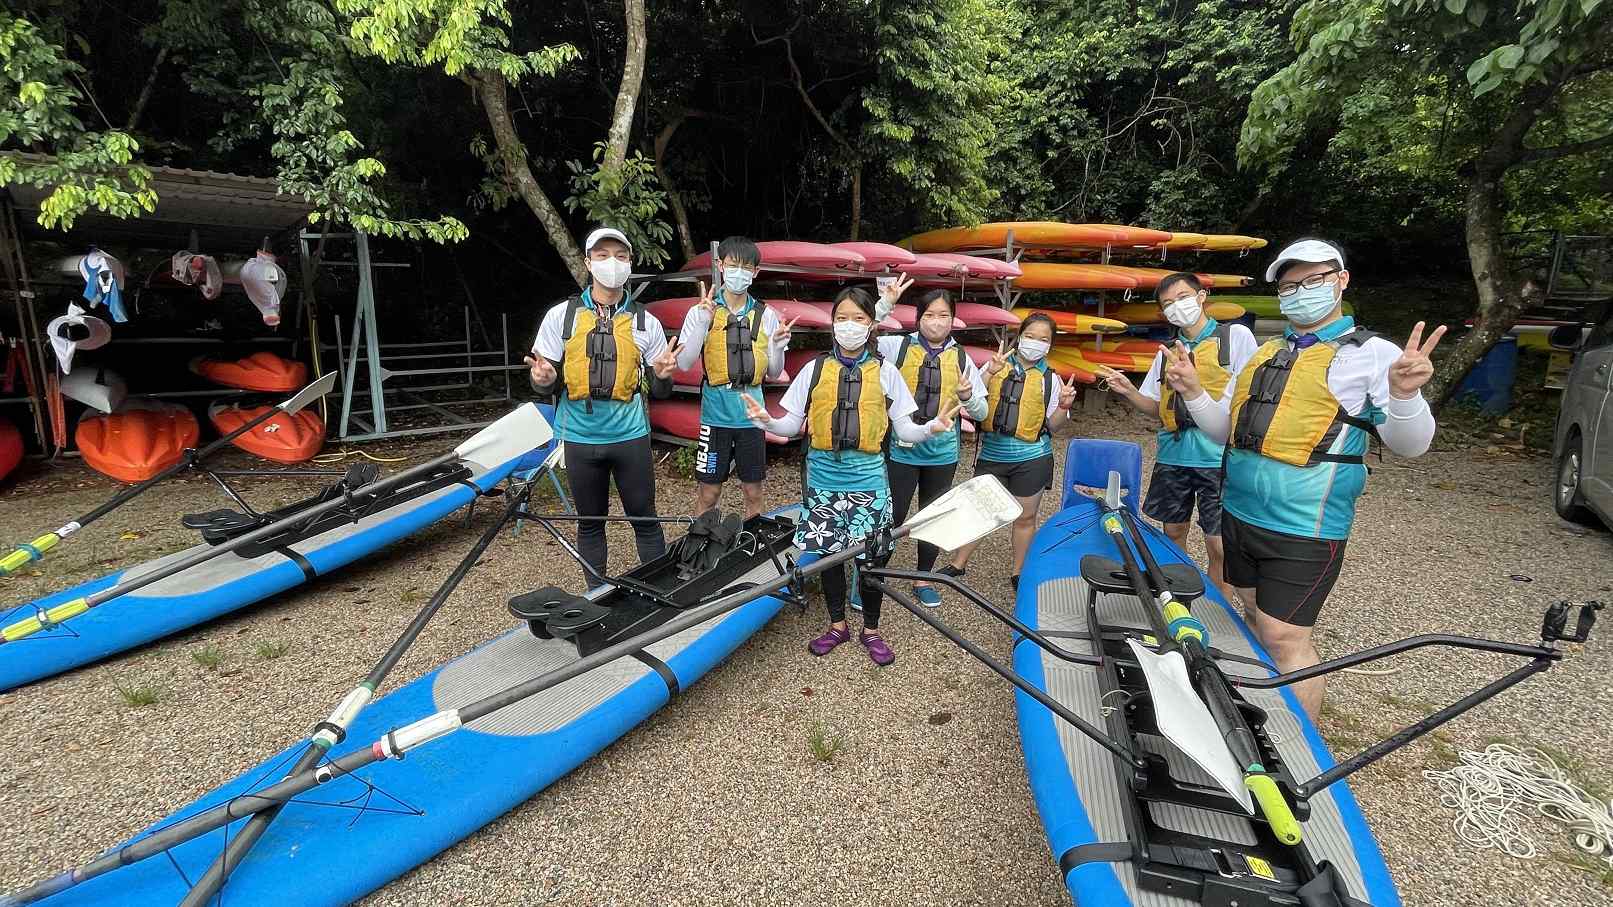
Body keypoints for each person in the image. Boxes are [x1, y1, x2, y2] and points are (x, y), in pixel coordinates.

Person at [1168, 238, 1443, 718]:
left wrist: (1402, 396)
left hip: (1305, 527)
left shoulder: (1374, 354)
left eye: (1312, 280)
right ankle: (1258, 715)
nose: (1299, 291)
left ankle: (1302, 753)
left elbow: (1411, 444)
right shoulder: (1264, 352)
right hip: (1239, 514)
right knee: (1253, 618)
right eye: (1290, 285)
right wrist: (1193, 391)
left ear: (1341, 281)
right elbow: (1222, 429)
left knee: (1285, 637)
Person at [742, 286, 960, 666]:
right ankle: (837, 624)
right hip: (824, 482)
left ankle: (871, 629)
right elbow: (792, 423)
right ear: (832, 325)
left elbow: (905, 430)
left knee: (872, 559)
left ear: (871, 324)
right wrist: (768, 421)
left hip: (870, 482)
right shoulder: (814, 369)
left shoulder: (886, 372)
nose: (850, 326)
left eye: (858, 318)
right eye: (842, 318)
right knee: (829, 557)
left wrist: (932, 428)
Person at [525, 226, 683, 578]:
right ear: (588, 262)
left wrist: (662, 374)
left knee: (644, 519)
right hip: (581, 437)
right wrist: (543, 380)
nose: (612, 263)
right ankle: (595, 597)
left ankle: (660, 592)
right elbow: (543, 378)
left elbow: (660, 392)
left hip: (630, 436)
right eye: (602, 256)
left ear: (629, 263)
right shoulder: (561, 317)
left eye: (621, 256)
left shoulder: (646, 321)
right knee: (590, 523)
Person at [1096, 272, 1257, 603]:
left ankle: (1219, 606)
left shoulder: (1235, 337)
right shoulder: (1166, 351)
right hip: (1174, 454)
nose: (1176, 307)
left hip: (1217, 457)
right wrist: (1128, 391)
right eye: (1167, 304)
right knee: (1173, 532)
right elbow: (1157, 408)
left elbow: (1247, 400)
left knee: (1219, 543)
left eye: (1182, 298)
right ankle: (1178, 598)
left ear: (1201, 297)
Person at [946, 313, 1078, 591]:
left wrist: (1065, 406)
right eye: (1031, 336)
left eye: (1044, 339)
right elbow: (971, 399)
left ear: (1050, 345)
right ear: (1019, 337)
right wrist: (990, 371)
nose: (1036, 343)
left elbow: (1052, 426)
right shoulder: (996, 366)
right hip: (993, 455)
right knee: (981, 511)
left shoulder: (1050, 380)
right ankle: (958, 564)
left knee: (1025, 517)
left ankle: (1018, 572)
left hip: (1032, 457)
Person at [875, 286, 989, 606]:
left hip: (942, 452)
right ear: (918, 318)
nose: (936, 322)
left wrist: (968, 398)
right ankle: (873, 573)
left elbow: (982, 412)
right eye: (929, 315)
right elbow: (861, 330)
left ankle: (924, 576)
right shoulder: (895, 346)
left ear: (953, 319)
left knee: (933, 515)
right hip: (902, 447)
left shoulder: (962, 358)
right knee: (892, 515)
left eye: (943, 315)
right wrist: (885, 304)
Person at [673, 236, 795, 521]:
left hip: (752, 415)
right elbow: (685, 362)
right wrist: (704, 322)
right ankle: (700, 549)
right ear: (720, 265)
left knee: (753, 492)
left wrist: (777, 346)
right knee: (708, 492)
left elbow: (775, 372)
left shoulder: (767, 315)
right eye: (732, 265)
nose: (738, 273)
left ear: (755, 272)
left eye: (746, 267)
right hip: (715, 415)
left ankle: (751, 550)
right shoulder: (700, 310)